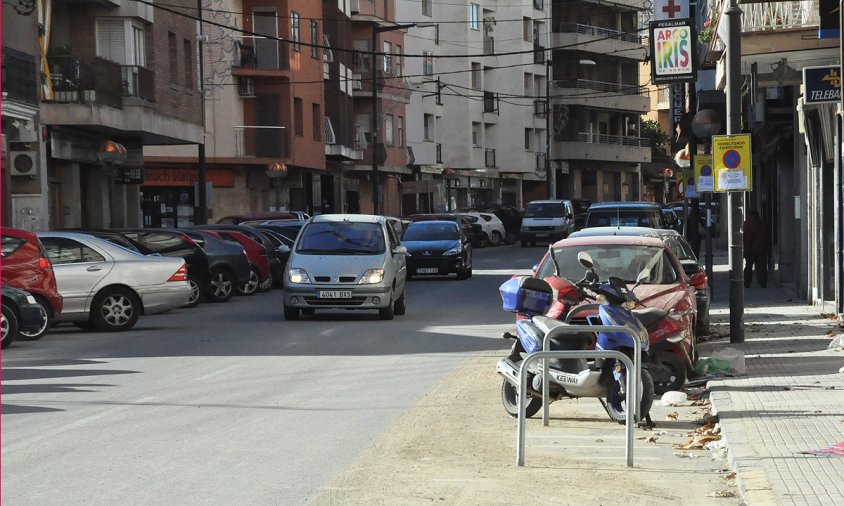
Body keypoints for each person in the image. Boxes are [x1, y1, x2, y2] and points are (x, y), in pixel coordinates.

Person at [743, 209, 770, 288]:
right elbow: (766, 237)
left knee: (748, 267)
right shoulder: (762, 224)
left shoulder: (747, 225)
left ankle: (747, 282)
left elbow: (743, 237)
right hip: (761, 249)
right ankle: (762, 282)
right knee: (761, 267)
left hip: (749, 249)